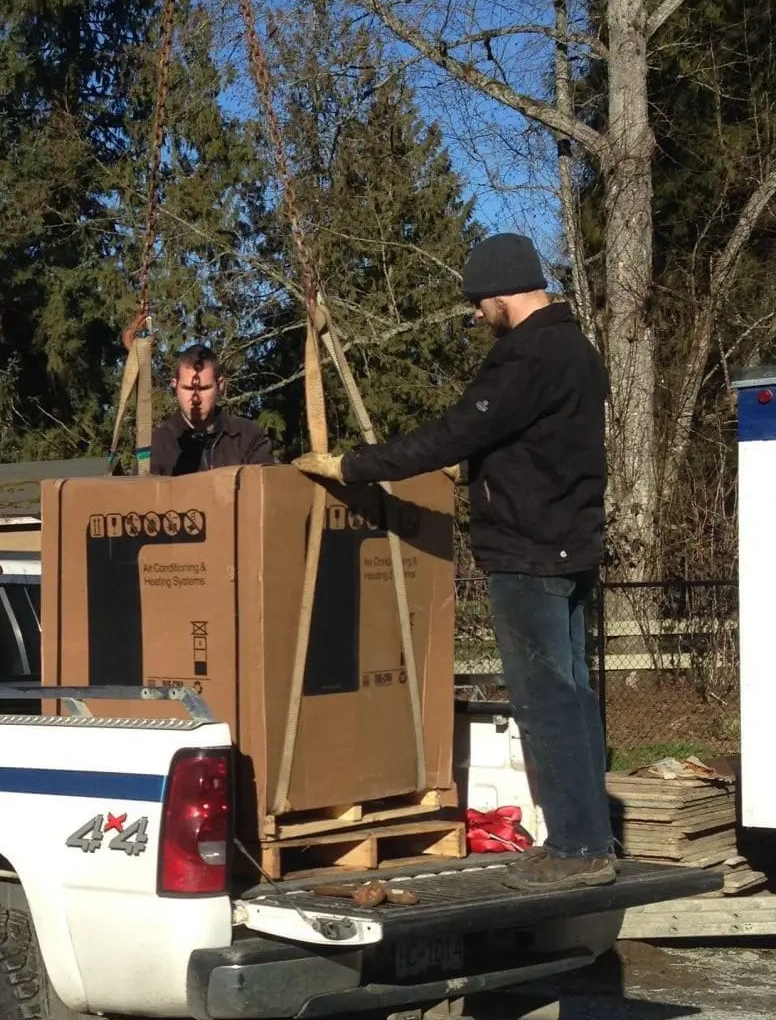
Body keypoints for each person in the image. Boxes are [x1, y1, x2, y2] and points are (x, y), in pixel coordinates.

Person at [293, 232, 614, 891]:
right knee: (575, 697)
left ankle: (578, 849)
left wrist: (355, 465)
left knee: (545, 702)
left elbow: (458, 430)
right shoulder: (578, 350)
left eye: (478, 302)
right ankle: (589, 837)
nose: (475, 315)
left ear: (502, 291)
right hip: (571, 546)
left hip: (527, 552)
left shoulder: (525, 357)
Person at [150, 343, 275, 475]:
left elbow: (265, 488)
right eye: (188, 388)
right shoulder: (158, 443)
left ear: (220, 386)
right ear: (175, 386)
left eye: (204, 388)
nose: (195, 399)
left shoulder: (248, 436)